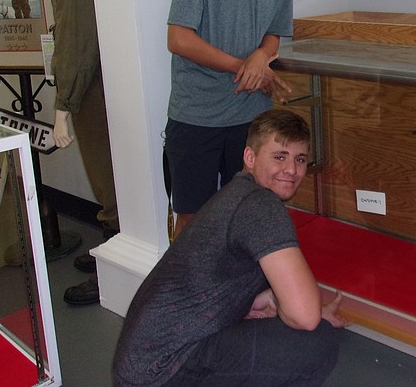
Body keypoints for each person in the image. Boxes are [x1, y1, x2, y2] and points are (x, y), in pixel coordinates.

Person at [113, 108, 347, 387]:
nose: (291, 170)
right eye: (279, 157)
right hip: (161, 372)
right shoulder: (260, 206)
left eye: (300, 159)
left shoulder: (237, 193)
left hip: (143, 365)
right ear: (250, 157)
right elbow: (305, 316)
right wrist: (306, 309)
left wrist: (268, 299)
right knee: (315, 342)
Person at [165, 0, 292, 238]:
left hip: (252, 116)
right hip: (196, 115)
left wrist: (260, 56)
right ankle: (189, 295)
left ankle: (245, 293)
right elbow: (179, 38)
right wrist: (245, 65)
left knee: (250, 214)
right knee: (192, 220)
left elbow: (274, 33)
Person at [36, 0, 119, 305]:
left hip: (92, 79)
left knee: (107, 172)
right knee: (107, 167)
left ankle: (115, 259)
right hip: (96, 74)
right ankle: (111, 244)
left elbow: (78, 29)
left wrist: (64, 102)